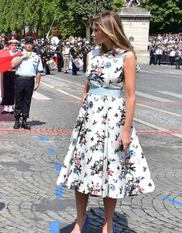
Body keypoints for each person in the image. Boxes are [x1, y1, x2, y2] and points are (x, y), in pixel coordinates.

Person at [56, 12, 155, 233]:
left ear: (109, 30)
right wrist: (85, 94)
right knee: (81, 168)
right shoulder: (92, 54)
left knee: (111, 170)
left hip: (113, 119)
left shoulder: (126, 56)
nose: (92, 34)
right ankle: (80, 221)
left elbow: (130, 95)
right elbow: (88, 82)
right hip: (90, 119)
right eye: (92, 30)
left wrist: (126, 130)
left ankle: (107, 224)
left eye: (96, 30)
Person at [11, 36, 43, 130]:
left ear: (33, 44)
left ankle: (24, 120)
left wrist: (37, 83)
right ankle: (17, 120)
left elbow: (38, 71)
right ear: (24, 45)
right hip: (19, 79)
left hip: (30, 80)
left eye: (30, 43)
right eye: (27, 43)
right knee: (18, 99)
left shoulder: (36, 57)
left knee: (27, 100)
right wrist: (22, 58)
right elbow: (13, 65)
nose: (28, 45)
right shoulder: (19, 54)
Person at [0, 39, 19, 114]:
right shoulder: (6, 53)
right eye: (12, 45)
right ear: (9, 46)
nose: (13, 47)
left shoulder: (18, 54)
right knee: (6, 89)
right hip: (6, 72)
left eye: (15, 45)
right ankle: (5, 107)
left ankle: (10, 107)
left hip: (14, 73)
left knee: (12, 89)